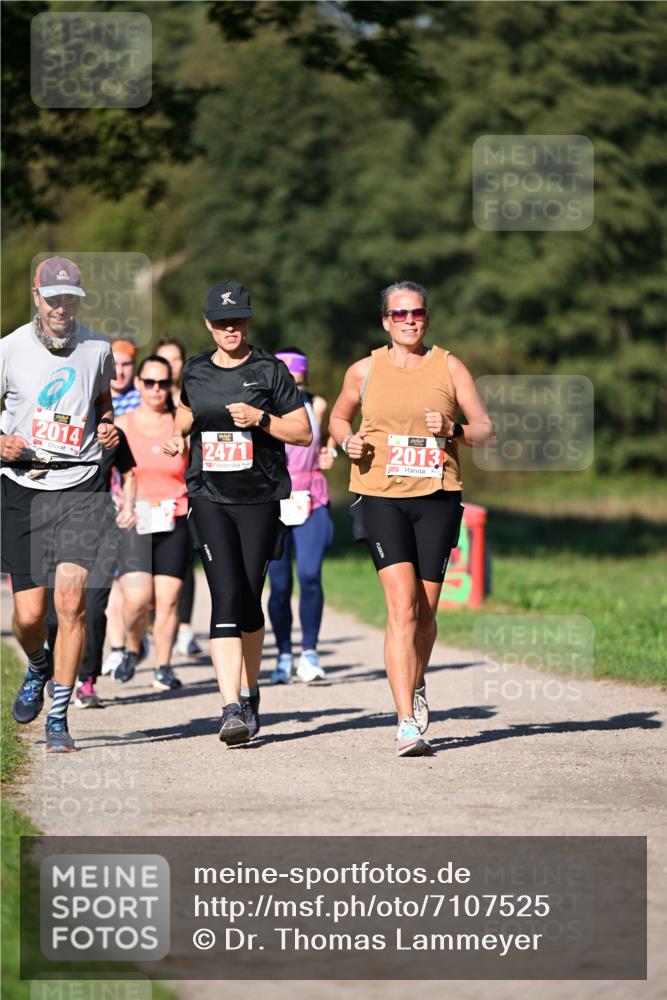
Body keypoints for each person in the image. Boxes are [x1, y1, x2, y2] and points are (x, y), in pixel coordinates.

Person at [330, 280, 494, 758]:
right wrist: (347, 442)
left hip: (437, 496)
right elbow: (339, 418)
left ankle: (416, 681)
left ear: (426, 317)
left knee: (425, 614)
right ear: (385, 321)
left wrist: (453, 429)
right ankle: (405, 721)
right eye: (399, 314)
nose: (408, 321)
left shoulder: (449, 365)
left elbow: (484, 431)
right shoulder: (364, 370)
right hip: (378, 495)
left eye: (416, 313)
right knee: (401, 608)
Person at [163, 280, 312, 746]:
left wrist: (262, 419)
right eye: (222, 322)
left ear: (248, 322)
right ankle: (229, 707)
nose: (231, 329)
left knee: (249, 598)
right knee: (224, 594)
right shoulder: (195, 371)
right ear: (208, 325)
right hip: (208, 495)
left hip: (260, 497)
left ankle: (250, 693)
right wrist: (178, 434)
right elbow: (188, 412)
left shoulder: (271, 371)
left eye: (238, 321)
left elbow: (303, 433)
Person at [0, 256, 118, 752]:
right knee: (29, 615)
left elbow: (102, 402)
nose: (61, 308)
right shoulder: (7, 350)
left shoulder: (98, 348)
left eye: (70, 299)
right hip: (24, 485)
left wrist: (109, 426)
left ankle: (59, 717)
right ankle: (39, 665)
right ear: (36, 296)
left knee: (70, 604)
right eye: (53, 298)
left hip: (81, 484)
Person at [114, 355, 189, 691]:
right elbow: (111, 470)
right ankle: (134, 646)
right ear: (139, 383)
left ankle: (163, 665)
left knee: (169, 598)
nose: (156, 390)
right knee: (136, 599)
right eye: (149, 382)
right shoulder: (124, 423)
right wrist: (117, 502)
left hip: (174, 516)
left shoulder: (180, 424)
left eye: (162, 383)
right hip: (135, 518)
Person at [267, 347, 335, 684]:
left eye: (299, 381)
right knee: (279, 585)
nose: (294, 387)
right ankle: (283, 654)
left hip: (312, 498)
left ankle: (309, 652)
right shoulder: (263, 409)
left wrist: (330, 449)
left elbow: (335, 430)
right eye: (287, 381)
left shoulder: (317, 405)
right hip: (275, 502)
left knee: (310, 575)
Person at [155, 336, 201, 659]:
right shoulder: (146, 397)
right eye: (164, 360)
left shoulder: (191, 399)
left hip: (189, 490)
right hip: (152, 494)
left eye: (175, 360)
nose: (170, 367)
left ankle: (184, 627)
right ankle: (152, 628)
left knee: (185, 563)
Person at [110, 338, 141, 415]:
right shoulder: (92, 398)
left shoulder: (145, 398)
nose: (120, 371)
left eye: (126, 364)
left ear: (134, 366)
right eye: (114, 364)